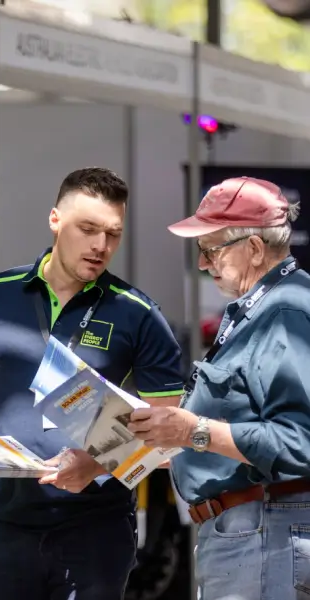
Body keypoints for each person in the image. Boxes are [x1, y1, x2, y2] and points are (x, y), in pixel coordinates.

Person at [0, 167, 184, 600]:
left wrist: (96, 463)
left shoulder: (139, 314)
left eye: (113, 234)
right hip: (3, 523)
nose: (101, 246)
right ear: (55, 220)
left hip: (96, 530)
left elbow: (169, 433)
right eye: (88, 229)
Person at [128, 176, 310, 600]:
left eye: (211, 250)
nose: (205, 263)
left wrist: (192, 432)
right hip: (254, 534)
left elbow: (299, 442)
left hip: (265, 536)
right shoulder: (265, 308)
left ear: (254, 248)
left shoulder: (283, 311)